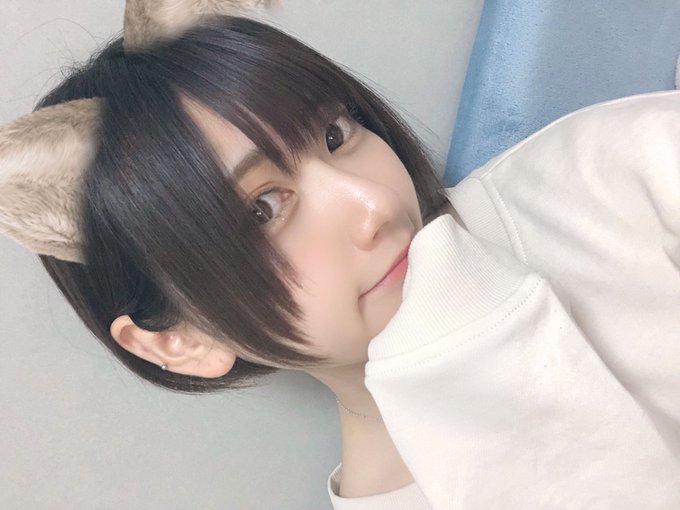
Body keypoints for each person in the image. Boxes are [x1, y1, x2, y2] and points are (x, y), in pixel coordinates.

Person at [1, 3, 679, 509]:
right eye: (262, 210)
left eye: (334, 133)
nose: (373, 203)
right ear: (181, 341)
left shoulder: (611, 176)